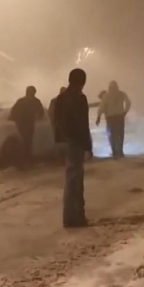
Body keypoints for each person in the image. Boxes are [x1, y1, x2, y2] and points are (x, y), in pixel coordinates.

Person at [54, 68, 93, 228]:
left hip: (64, 141)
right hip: (75, 142)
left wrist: (58, 140)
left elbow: (56, 120)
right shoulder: (79, 98)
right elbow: (83, 124)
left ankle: (69, 215)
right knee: (76, 180)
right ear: (81, 82)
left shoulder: (60, 98)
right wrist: (88, 146)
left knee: (70, 178)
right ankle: (76, 217)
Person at [96, 81, 132, 159]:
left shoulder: (106, 96)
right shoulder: (121, 94)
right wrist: (125, 112)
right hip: (120, 117)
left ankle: (115, 152)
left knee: (112, 135)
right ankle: (120, 151)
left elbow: (101, 107)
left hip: (110, 118)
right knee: (120, 134)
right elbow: (128, 103)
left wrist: (98, 117)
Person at [9, 86, 45, 164]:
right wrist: (37, 117)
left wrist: (16, 120)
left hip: (21, 124)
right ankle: (27, 160)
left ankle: (24, 160)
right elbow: (41, 113)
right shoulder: (35, 101)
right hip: (28, 123)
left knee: (24, 141)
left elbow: (13, 111)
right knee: (27, 141)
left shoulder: (21, 101)